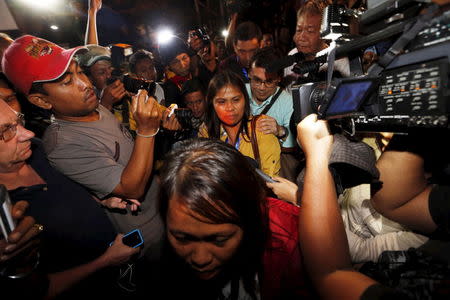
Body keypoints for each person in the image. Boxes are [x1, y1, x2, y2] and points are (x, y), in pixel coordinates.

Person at [2, 35, 164, 264]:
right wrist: (147, 130)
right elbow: (132, 189)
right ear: (41, 101)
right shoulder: (63, 143)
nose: (85, 84)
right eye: (67, 82)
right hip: (146, 235)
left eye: (80, 72)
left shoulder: (93, 106)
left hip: (161, 208)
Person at [0, 98, 139, 299]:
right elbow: (38, 291)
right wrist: (106, 260)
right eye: (7, 131)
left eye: (18, 122)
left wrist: (101, 199)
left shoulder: (37, 150)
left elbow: (62, 189)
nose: (28, 133)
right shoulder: (7, 214)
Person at [156, 138, 312, 299]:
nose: (200, 259)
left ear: (249, 217)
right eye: (182, 238)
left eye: (219, 239)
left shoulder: (292, 238)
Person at [199, 70, 280, 177]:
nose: (230, 108)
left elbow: (271, 182)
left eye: (236, 100)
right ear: (212, 104)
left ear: (245, 100)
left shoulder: (261, 128)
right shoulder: (207, 133)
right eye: (222, 102)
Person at [247, 47, 299, 181]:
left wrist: (280, 130)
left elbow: (293, 146)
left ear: (279, 79)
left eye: (269, 81)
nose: (261, 87)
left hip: (271, 169)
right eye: (256, 80)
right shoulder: (238, 93)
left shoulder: (288, 102)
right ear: (249, 74)